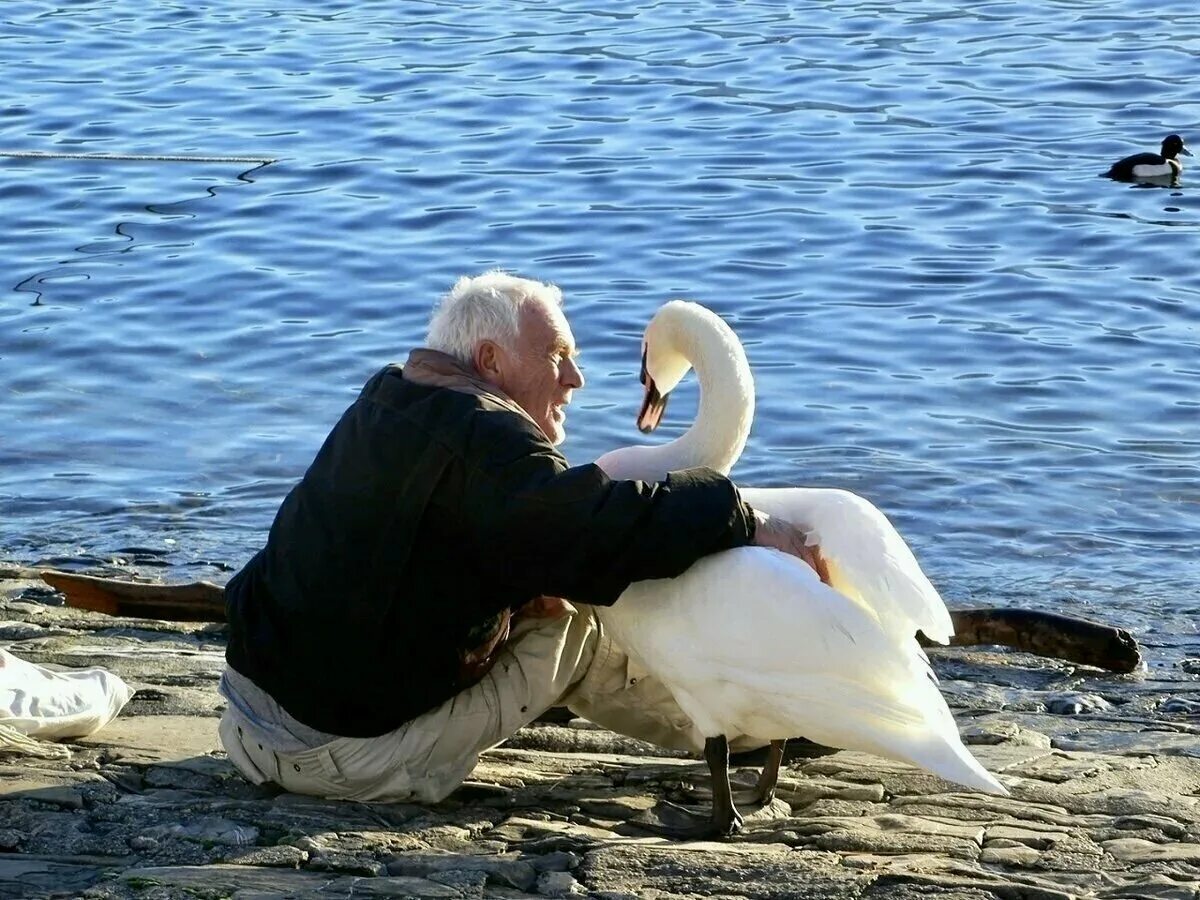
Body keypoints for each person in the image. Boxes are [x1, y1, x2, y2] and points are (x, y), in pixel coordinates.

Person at [218, 270, 820, 803]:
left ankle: (738, 719)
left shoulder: (390, 399)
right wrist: (737, 513)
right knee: (575, 619)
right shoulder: (488, 441)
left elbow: (442, 538)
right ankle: (744, 729)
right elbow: (600, 530)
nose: (576, 379)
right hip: (336, 761)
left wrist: (512, 588)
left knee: (548, 576)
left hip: (248, 719)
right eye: (558, 355)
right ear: (490, 362)